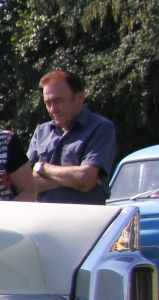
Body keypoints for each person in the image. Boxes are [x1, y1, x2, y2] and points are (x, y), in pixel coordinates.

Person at [27, 70, 115, 204]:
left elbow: (85, 178)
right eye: (48, 103)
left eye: (58, 101)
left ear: (80, 97)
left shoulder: (101, 128)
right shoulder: (41, 132)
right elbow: (24, 184)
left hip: (85, 220)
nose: (52, 109)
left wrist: (42, 167)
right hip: (45, 220)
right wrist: (73, 181)